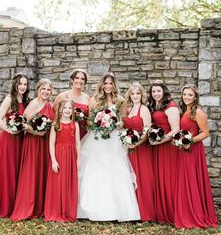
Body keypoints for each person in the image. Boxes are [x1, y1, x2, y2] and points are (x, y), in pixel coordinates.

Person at [77, 72, 140, 221]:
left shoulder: (120, 100)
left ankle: (117, 210)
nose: (108, 86)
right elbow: (89, 122)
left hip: (113, 139)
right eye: (105, 83)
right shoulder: (94, 99)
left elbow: (123, 121)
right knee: (95, 170)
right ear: (101, 84)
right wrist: (100, 123)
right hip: (97, 138)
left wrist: (112, 124)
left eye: (110, 83)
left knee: (115, 170)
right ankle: (92, 209)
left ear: (114, 85)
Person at [0, 73, 30, 218]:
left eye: (25, 84)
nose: (22, 87)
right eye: (20, 84)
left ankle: (13, 205)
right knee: (6, 172)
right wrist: (10, 130)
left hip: (20, 141)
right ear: (15, 85)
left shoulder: (25, 101)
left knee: (16, 171)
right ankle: (1, 205)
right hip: (8, 140)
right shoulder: (9, 99)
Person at [11, 79, 55, 221]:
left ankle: (41, 205)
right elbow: (23, 123)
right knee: (32, 173)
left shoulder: (50, 105)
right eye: (43, 89)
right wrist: (36, 132)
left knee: (42, 172)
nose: (46, 92)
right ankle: (28, 206)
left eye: (48, 90)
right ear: (38, 89)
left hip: (45, 143)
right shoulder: (34, 103)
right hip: (33, 144)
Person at [174, 84, 218, 228]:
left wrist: (189, 140)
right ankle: (186, 212)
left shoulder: (197, 112)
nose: (186, 97)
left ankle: (196, 214)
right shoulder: (183, 111)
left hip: (193, 150)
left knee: (192, 179)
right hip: (183, 149)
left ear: (195, 97)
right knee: (184, 180)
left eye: (190, 95)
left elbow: (205, 132)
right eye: (185, 94)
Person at [148, 80, 180, 225]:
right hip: (157, 147)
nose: (156, 94)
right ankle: (160, 212)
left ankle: (172, 213)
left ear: (164, 91)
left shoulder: (171, 107)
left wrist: (159, 141)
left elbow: (175, 130)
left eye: (158, 91)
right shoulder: (154, 106)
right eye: (153, 91)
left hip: (168, 148)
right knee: (158, 178)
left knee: (168, 179)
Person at [123, 83, 155, 221]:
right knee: (131, 178)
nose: (135, 96)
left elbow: (147, 131)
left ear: (142, 95)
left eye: (137, 93)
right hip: (130, 149)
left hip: (141, 149)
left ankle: (144, 212)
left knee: (142, 178)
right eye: (132, 94)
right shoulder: (129, 109)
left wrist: (136, 143)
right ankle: (132, 211)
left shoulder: (144, 109)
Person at [44, 99, 80, 222]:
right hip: (59, 155)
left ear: (73, 111)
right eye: (65, 108)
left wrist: (78, 159)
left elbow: (78, 144)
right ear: (60, 110)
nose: (67, 110)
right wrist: (53, 160)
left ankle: (67, 210)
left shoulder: (75, 125)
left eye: (70, 108)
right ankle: (56, 210)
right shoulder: (56, 125)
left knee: (69, 181)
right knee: (58, 182)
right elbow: (51, 144)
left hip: (70, 156)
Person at [53, 69, 90, 139]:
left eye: (82, 79)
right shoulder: (63, 96)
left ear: (85, 82)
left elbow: (89, 119)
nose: (79, 81)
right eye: (77, 78)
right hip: (65, 135)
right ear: (72, 80)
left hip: (82, 135)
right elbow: (54, 116)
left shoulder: (87, 98)